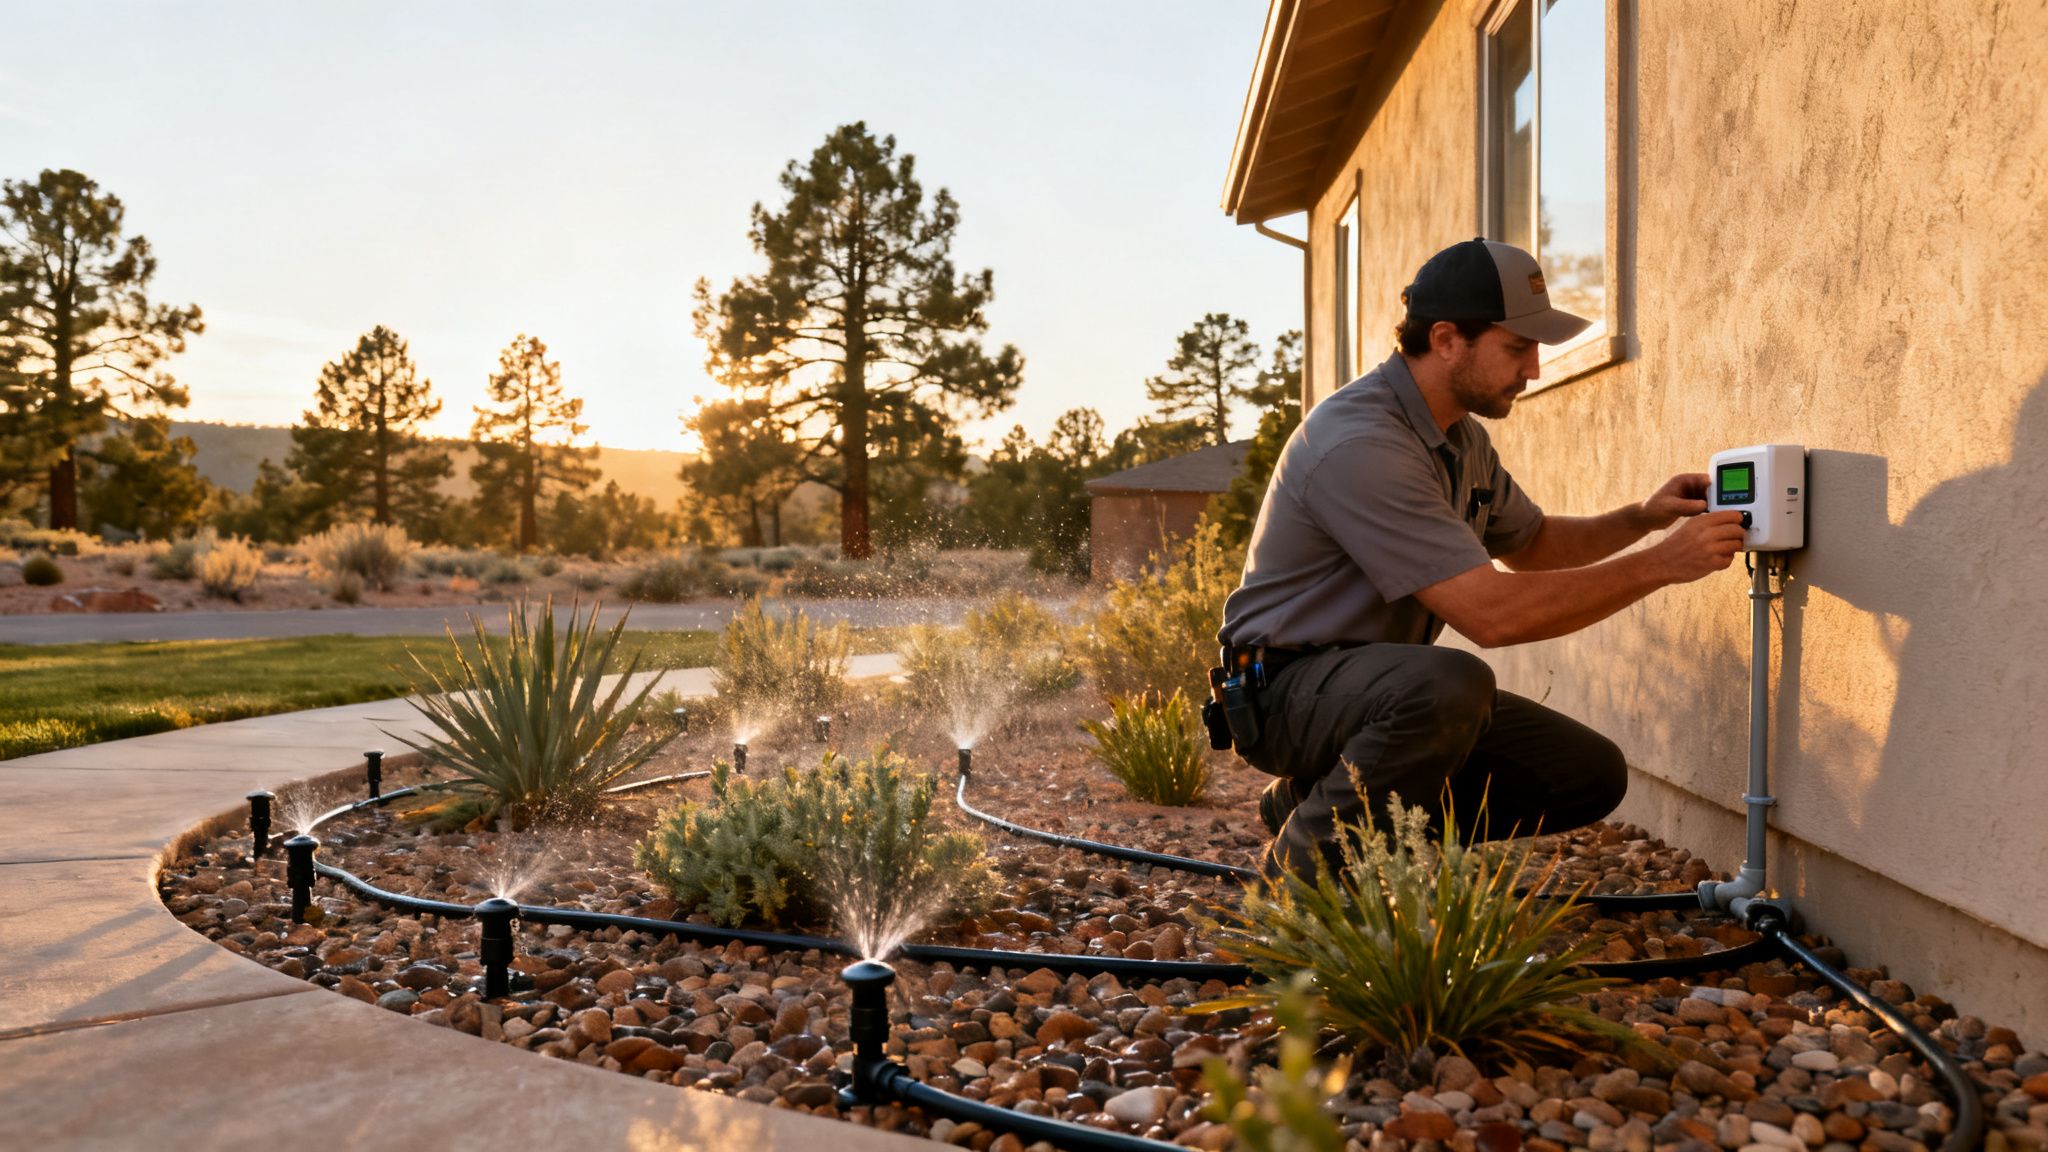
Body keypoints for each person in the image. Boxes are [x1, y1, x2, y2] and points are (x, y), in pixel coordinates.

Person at [1215, 237, 1747, 880]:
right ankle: (1304, 888)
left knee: (1584, 773)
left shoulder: (1460, 438)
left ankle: (1313, 802)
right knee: (1448, 684)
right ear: (1445, 340)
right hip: (1283, 692)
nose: (1535, 369)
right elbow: (1492, 618)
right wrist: (1663, 564)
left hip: (1370, 691)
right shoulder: (1361, 443)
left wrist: (1645, 518)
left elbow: (1534, 545)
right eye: (1518, 348)